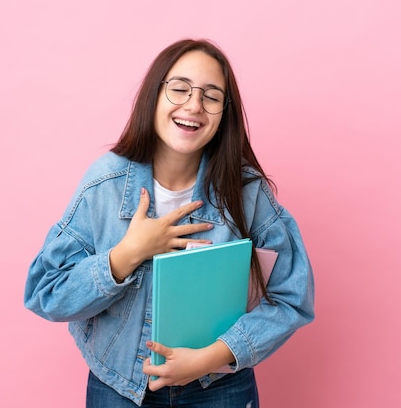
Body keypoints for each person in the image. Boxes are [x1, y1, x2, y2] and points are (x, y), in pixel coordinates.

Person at [24, 38, 315, 407]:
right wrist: (126, 254)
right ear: (154, 95)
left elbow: (293, 298)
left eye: (211, 96)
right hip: (119, 387)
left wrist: (212, 356)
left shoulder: (247, 192)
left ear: (225, 113)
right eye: (179, 89)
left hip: (220, 389)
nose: (193, 105)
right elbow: (45, 291)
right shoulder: (105, 184)